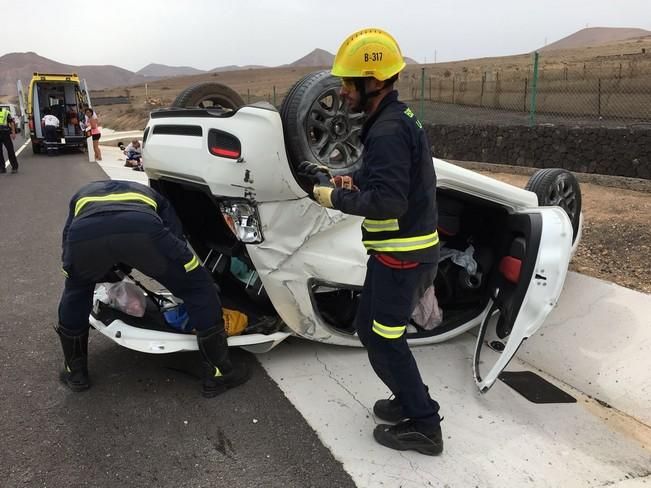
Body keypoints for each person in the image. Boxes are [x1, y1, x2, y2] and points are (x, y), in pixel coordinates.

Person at [297, 28, 443, 456]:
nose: (342, 92)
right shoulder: (396, 119)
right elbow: (391, 177)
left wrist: (333, 196)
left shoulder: (387, 131)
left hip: (402, 256)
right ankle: (407, 399)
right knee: (369, 330)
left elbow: (389, 202)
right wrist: (353, 179)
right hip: (397, 253)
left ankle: (425, 423)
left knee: (384, 338)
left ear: (374, 81)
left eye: (348, 82)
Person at [57, 180, 250, 397]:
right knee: (199, 288)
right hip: (142, 228)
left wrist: (94, 271)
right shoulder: (153, 196)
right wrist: (179, 277)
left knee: (76, 291)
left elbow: (69, 238)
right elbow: (175, 236)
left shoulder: (82, 193)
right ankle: (218, 374)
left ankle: (75, 373)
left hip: (84, 235)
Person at [0, 106, 18, 173]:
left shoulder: (5, 112)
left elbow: (12, 123)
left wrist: (13, 133)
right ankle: (2, 168)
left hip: (5, 133)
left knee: (10, 150)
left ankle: (14, 167)